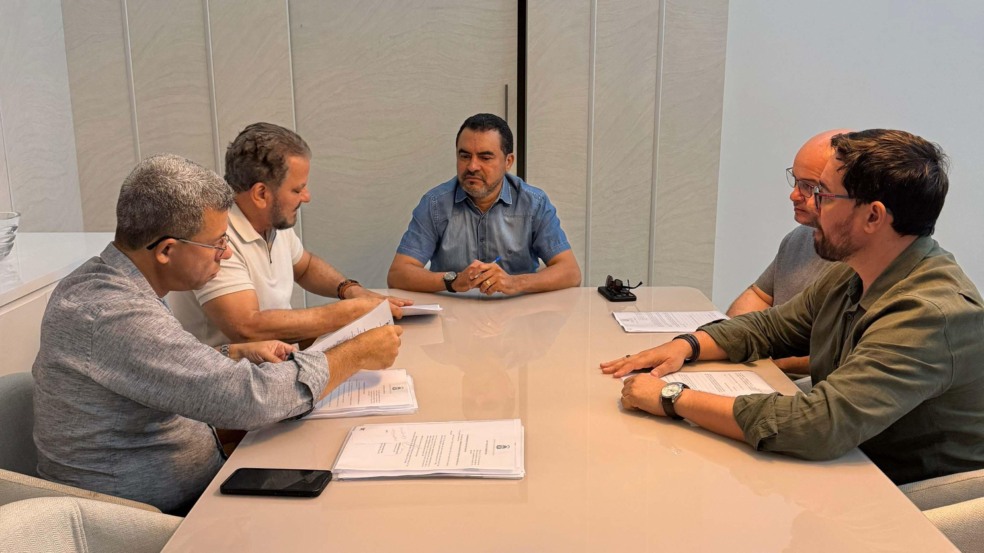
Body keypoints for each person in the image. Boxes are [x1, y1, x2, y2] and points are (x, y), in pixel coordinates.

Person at [601, 129, 984, 485]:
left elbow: (820, 426)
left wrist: (672, 398)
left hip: (909, 495)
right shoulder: (856, 271)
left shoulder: (931, 314)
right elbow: (771, 327)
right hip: (853, 463)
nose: (811, 205)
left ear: (873, 216)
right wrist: (688, 345)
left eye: (824, 195)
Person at [32, 154, 402, 515]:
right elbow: (249, 401)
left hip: (187, 483)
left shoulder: (105, 281)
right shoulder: (114, 313)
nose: (224, 255)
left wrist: (231, 354)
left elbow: (150, 369)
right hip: (143, 519)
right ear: (166, 250)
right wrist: (354, 355)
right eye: (217, 244)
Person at [169, 122, 411, 347]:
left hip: (276, 364)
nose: (307, 197)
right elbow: (247, 328)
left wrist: (350, 290)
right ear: (261, 194)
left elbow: (305, 266)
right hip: (232, 374)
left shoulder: (271, 221)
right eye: (297, 189)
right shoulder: (214, 237)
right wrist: (349, 313)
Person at [387, 113, 581, 296]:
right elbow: (398, 274)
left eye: (485, 157)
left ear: (508, 161)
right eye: (465, 156)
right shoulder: (435, 204)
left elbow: (570, 272)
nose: (472, 166)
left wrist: (514, 283)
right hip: (453, 312)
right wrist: (453, 281)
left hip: (519, 311)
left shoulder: (533, 203)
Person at [726, 129, 849, 374]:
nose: (794, 195)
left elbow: (840, 357)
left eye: (809, 187)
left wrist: (767, 365)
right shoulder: (800, 236)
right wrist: (727, 343)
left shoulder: (862, 259)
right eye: (796, 181)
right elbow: (761, 296)